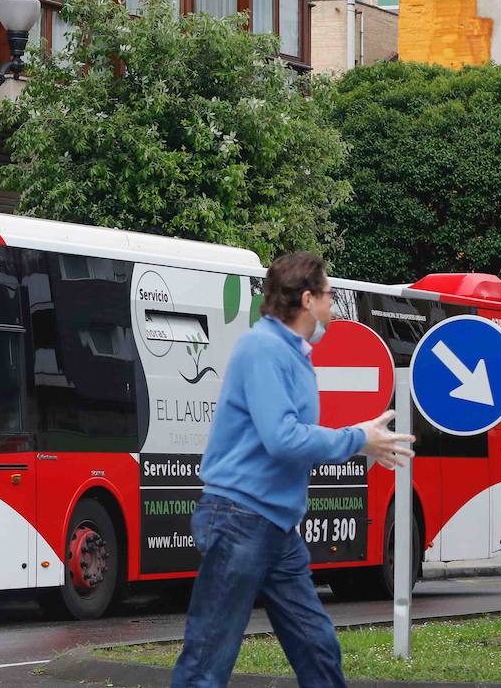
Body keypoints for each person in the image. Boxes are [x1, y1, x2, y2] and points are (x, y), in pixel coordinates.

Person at [171, 252, 416, 688]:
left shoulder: (291, 353)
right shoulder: (263, 348)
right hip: (239, 520)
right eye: (328, 297)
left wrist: (360, 442)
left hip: (274, 527)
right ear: (307, 299)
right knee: (208, 660)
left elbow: (291, 434)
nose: (332, 309)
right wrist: (358, 439)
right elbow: (282, 438)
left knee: (318, 646)